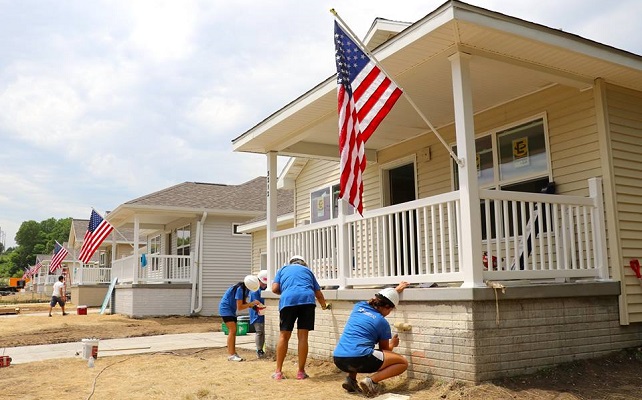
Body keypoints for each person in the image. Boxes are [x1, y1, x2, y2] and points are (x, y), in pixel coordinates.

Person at [332, 281, 410, 397]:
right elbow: (385, 350)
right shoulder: (382, 322)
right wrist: (393, 344)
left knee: (356, 346)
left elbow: (378, 298)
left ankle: (350, 380)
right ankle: (371, 381)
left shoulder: (359, 306)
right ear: (387, 307)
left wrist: (395, 292)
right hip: (359, 359)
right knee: (403, 363)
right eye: (390, 310)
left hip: (339, 359)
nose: (388, 313)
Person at [271, 255, 329, 380]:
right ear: (303, 263)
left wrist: (288, 290)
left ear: (291, 262)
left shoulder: (282, 269)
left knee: (284, 336)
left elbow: (274, 289)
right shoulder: (308, 271)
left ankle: (278, 372)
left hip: (288, 301)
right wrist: (324, 306)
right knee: (303, 337)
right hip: (307, 301)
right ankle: (301, 372)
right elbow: (318, 293)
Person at [218, 274, 261, 361]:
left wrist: (253, 306)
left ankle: (233, 352)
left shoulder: (244, 289)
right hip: (226, 309)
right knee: (232, 331)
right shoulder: (240, 289)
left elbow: (244, 303)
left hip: (231, 310)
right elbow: (240, 307)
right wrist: (252, 303)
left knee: (234, 331)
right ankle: (231, 354)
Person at [249, 270, 268, 358]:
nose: (264, 285)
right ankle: (259, 350)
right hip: (257, 314)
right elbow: (255, 304)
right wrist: (261, 308)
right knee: (259, 332)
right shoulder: (254, 290)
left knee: (263, 332)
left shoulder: (266, 288)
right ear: (258, 281)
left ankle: (261, 349)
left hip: (264, 313)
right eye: (263, 283)